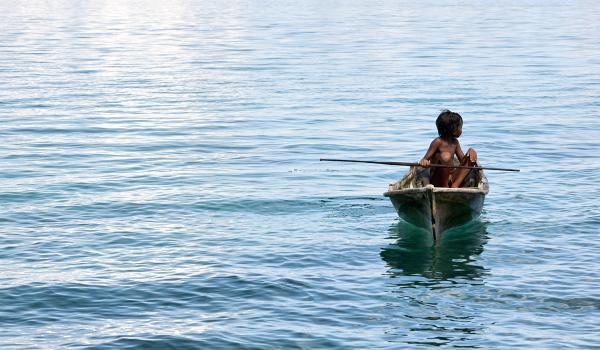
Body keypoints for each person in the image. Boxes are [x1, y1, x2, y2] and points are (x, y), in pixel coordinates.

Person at [418, 110, 477, 188]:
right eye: (460, 127)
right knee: (446, 156)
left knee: (472, 151)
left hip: (452, 177)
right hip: (438, 179)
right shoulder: (437, 142)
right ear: (453, 129)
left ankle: (455, 185)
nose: (461, 130)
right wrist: (424, 161)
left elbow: (462, 161)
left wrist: (470, 159)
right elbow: (425, 159)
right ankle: (444, 186)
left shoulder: (455, 142)